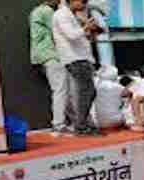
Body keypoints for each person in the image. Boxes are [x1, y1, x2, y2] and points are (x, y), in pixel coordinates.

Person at [52, 0, 105, 136]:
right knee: (85, 93)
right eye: (83, 1)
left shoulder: (71, 14)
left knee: (87, 93)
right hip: (75, 58)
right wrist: (86, 26)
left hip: (82, 58)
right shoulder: (62, 15)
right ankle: (81, 126)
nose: (85, 4)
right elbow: (72, 35)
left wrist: (91, 30)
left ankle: (83, 124)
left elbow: (81, 37)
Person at [30, 0, 73, 134]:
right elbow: (61, 31)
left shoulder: (37, 11)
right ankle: (59, 124)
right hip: (51, 54)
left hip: (43, 55)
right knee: (61, 89)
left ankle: (69, 121)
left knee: (62, 89)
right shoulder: (47, 11)